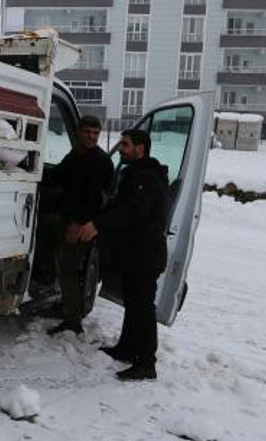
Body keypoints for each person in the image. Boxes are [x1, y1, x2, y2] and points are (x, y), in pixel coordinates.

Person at [77, 129, 169, 381]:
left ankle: (146, 363)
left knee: (143, 308)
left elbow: (133, 210)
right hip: (134, 252)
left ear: (141, 148)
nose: (121, 149)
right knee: (133, 303)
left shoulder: (147, 178)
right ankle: (127, 348)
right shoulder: (137, 175)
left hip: (145, 254)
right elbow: (126, 205)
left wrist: (98, 224)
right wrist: (108, 204)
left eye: (126, 145)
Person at [45, 115, 114, 336]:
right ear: (78, 132)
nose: (91, 137)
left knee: (70, 271)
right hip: (67, 219)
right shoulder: (75, 155)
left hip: (83, 225)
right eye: (87, 132)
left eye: (95, 133)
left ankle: (72, 320)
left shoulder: (101, 161)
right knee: (64, 267)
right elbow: (57, 177)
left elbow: (97, 200)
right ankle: (67, 305)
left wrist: (78, 223)